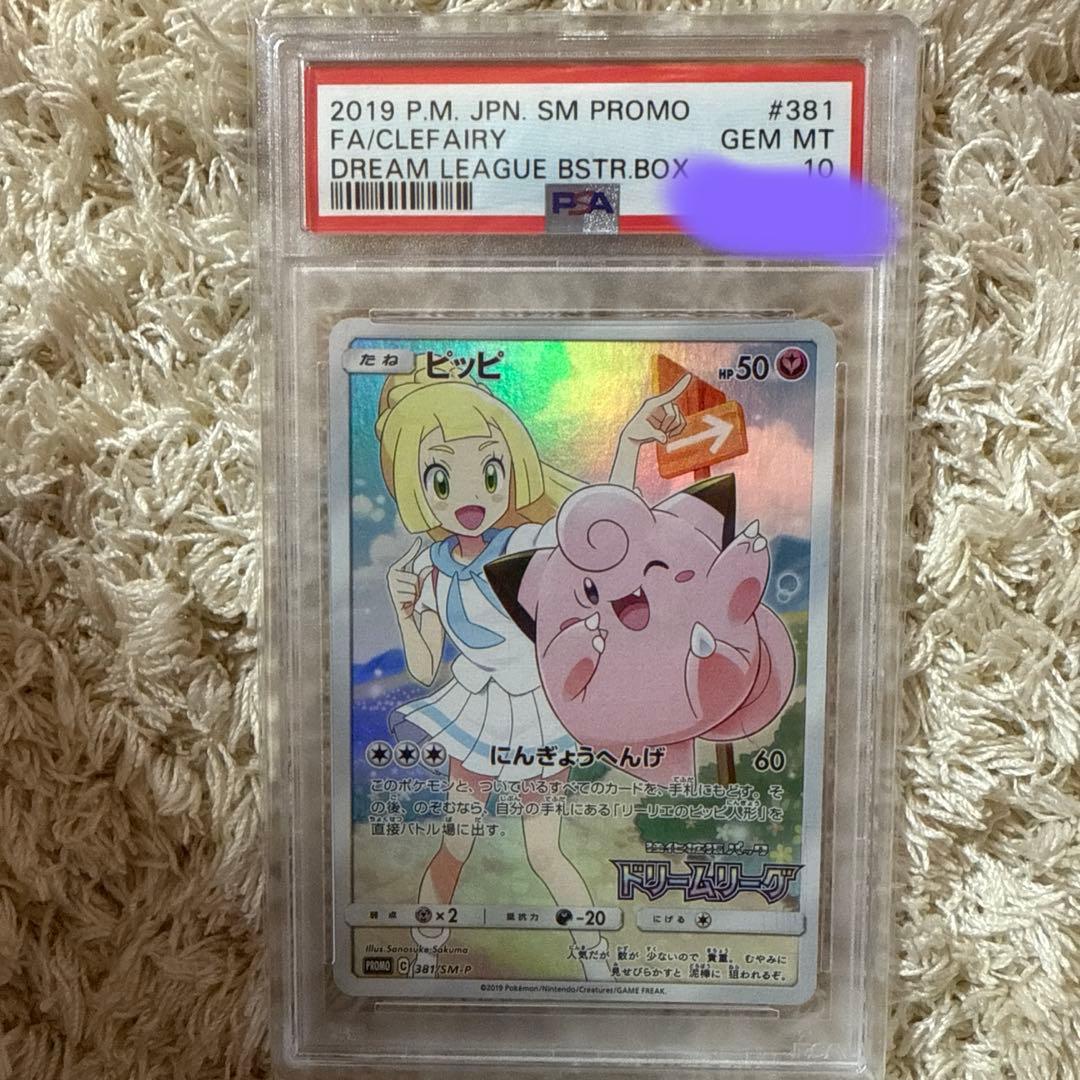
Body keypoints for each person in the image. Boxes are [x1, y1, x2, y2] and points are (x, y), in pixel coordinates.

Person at [374, 366, 687, 978]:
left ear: (512, 468)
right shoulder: (430, 568)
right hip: (477, 714)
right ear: (417, 486)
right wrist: (404, 606)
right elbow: (425, 665)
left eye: (489, 472)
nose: (470, 496)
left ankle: (594, 961)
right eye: (442, 479)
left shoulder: (527, 543)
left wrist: (628, 442)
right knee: (456, 841)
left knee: (543, 850)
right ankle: (423, 957)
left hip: (540, 716)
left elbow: (602, 535)